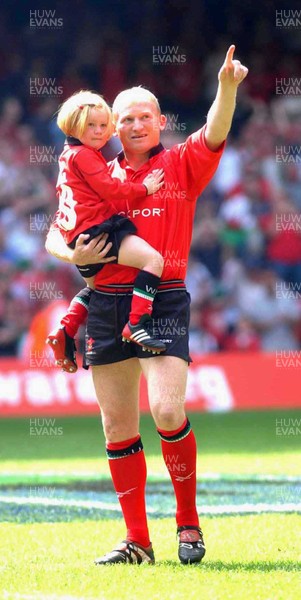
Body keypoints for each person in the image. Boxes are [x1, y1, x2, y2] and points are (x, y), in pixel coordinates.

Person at [46, 45, 248, 565]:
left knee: (166, 408)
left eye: (144, 116)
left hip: (161, 301)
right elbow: (55, 235)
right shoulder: (96, 169)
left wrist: (226, 88)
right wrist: (75, 252)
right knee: (117, 428)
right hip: (106, 302)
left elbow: (217, 129)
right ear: (113, 125)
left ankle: (188, 526)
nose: (135, 125)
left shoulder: (182, 163)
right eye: (125, 118)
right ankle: (137, 541)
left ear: (160, 121)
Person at [47, 90, 166, 373]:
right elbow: (111, 189)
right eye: (91, 125)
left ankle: (67, 328)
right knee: (153, 261)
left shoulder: (67, 156)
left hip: (77, 236)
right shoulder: (85, 156)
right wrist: (144, 188)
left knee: (96, 287)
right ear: (73, 125)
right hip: (96, 231)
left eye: (103, 125)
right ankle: (137, 323)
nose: (99, 132)